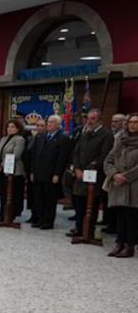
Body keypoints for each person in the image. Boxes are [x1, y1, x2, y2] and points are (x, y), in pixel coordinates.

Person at [67, 109, 114, 238]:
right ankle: (79, 228)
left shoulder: (106, 134)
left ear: (100, 120)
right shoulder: (84, 133)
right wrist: (77, 168)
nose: (89, 121)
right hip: (79, 174)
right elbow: (76, 152)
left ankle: (89, 230)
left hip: (94, 176)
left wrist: (88, 169)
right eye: (88, 118)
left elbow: (104, 155)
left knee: (91, 204)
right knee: (78, 202)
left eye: (92, 119)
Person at [104, 113, 138, 257]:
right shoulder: (120, 140)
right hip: (118, 184)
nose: (133, 124)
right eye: (131, 122)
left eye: (136, 122)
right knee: (120, 215)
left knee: (132, 217)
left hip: (134, 185)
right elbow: (108, 160)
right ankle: (120, 243)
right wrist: (114, 174)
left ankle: (130, 246)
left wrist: (126, 177)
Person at [31, 115, 70, 230]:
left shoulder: (63, 139)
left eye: (52, 122)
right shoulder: (40, 137)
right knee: (39, 198)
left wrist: (57, 174)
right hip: (39, 172)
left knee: (50, 199)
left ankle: (48, 221)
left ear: (58, 125)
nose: (49, 124)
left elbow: (62, 159)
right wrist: (33, 171)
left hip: (51, 174)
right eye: (48, 122)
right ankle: (39, 219)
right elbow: (35, 156)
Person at [0, 120, 27, 221]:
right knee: (3, 194)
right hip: (2, 171)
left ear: (18, 129)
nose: (10, 129)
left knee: (12, 195)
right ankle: (2, 216)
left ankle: (10, 216)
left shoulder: (20, 139)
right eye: (8, 127)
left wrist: (2, 165)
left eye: (12, 127)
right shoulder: (3, 139)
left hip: (14, 172)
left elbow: (16, 155)